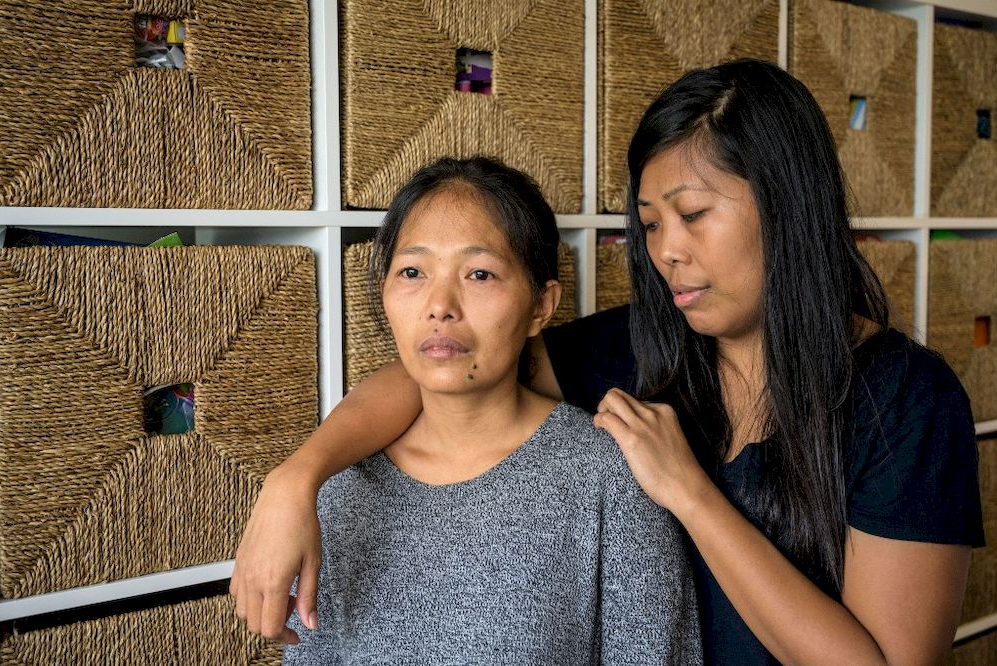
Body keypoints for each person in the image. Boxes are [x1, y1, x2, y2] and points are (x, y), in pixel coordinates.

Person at [231, 60, 984, 664]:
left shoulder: (907, 399)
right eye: (651, 225)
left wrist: (689, 492)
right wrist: (297, 478)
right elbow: (445, 363)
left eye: (693, 216)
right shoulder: (645, 345)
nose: (667, 253)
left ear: (788, 206)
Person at [274, 156, 701, 664]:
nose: (439, 305)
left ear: (541, 307)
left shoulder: (610, 474)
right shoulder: (339, 484)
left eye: (479, 274)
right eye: (412, 271)